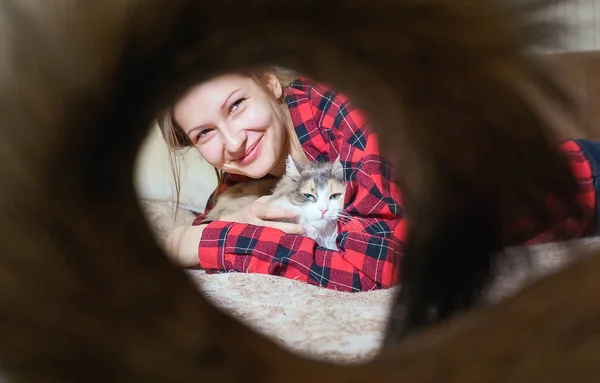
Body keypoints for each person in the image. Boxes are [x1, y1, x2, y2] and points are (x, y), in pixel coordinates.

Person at [157, 68, 599, 292]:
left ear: (270, 83)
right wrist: (232, 226)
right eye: (205, 134)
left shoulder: (349, 110)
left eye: (235, 106)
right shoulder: (247, 175)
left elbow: (385, 258)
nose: (232, 142)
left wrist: (207, 244)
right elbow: (219, 219)